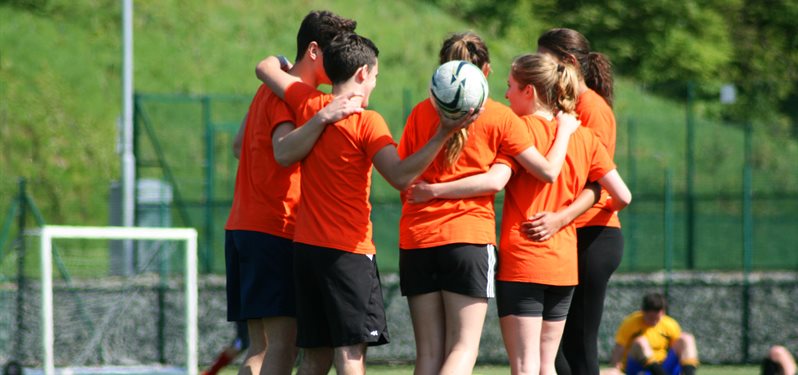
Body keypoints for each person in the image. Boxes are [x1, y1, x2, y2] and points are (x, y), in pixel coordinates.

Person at [256, 31, 478, 375]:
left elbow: (265, 69)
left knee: (315, 356)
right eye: (375, 76)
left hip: (306, 251)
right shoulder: (367, 121)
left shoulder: (310, 103)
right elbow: (401, 176)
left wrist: (283, 62)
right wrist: (443, 133)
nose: (374, 83)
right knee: (350, 355)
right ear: (362, 74)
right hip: (348, 253)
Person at [408, 51, 631, 375]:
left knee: (524, 366)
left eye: (511, 86)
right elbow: (622, 194)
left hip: (523, 259)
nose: (506, 93)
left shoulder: (518, 129)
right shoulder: (581, 134)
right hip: (564, 263)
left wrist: (434, 190)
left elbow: (497, 180)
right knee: (547, 365)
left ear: (530, 91)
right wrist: (566, 217)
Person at [224, 10, 359, 375]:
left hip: (242, 227)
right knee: (282, 347)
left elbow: (239, 146)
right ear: (314, 51)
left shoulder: (269, 87)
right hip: (273, 229)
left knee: (260, 348)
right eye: (336, 51)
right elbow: (283, 151)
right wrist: (321, 119)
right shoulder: (294, 98)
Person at [533, 27, 625, 375]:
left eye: (545, 60)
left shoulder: (592, 109)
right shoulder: (568, 107)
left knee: (579, 343)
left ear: (568, 62)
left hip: (593, 234)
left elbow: (600, 184)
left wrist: (558, 218)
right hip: (573, 234)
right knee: (553, 344)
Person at [606, 293, 699, 375]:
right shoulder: (631, 323)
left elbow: (678, 349)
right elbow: (619, 347)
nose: (653, 322)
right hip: (639, 367)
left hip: (663, 367)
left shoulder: (669, 324)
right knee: (640, 342)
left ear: (663, 313)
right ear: (643, 312)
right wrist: (615, 369)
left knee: (687, 338)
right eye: (650, 318)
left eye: (657, 319)